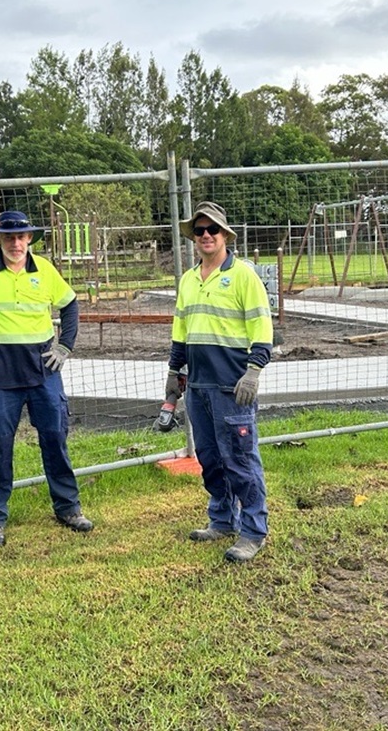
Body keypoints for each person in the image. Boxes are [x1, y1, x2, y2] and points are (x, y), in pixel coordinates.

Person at [0, 210, 93, 548]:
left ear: (30, 239)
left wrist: (65, 346)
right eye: (8, 236)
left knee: (55, 438)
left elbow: (70, 306)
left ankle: (68, 508)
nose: (15, 242)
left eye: (21, 236)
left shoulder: (45, 270)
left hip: (43, 373)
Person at [165, 201, 273, 562]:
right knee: (210, 459)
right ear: (193, 238)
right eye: (199, 231)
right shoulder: (188, 279)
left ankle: (254, 531)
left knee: (240, 459)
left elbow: (262, 326)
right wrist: (174, 372)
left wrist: (254, 370)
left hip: (232, 386)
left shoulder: (243, 276)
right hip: (198, 387)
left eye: (213, 229)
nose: (206, 235)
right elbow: (181, 330)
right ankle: (223, 518)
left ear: (225, 235)